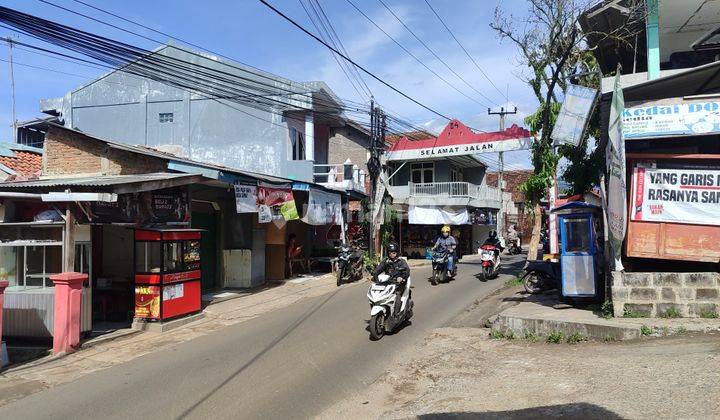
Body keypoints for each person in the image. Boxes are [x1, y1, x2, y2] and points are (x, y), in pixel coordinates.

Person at [374, 243, 410, 314]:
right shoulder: (386, 261)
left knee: (397, 294)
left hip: (399, 284)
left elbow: (407, 271)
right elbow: (378, 269)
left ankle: (396, 314)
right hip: (388, 283)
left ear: (397, 252)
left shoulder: (401, 261)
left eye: (394, 252)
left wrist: (401, 277)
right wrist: (374, 275)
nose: (392, 254)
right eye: (390, 252)